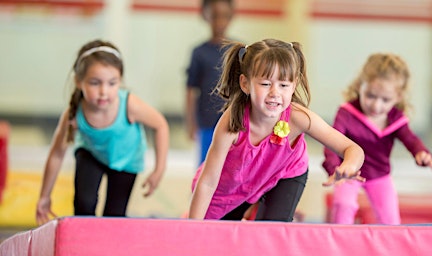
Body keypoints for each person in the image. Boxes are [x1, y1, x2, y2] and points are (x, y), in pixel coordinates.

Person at [188, 39, 365, 221]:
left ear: (294, 85)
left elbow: (353, 149)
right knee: (217, 239)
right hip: (232, 187)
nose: (275, 93)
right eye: (265, 84)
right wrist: (193, 228)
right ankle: (253, 210)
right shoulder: (232, 123)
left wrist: (348, 166)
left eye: (283, 85)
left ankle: (273, 212)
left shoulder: (299, 118)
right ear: (245, 83)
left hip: (285, 174)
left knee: (270, 233)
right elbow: (208, 182)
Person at [36, 39, 169, 225]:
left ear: (120, 81)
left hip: (126, 160)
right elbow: (57, 154)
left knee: (114, 216)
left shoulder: (130, 105)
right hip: (92, 154)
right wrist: (44, 195)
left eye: (112, 83)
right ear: (79, 82)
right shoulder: (74, 113)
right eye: (95, 83)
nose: (104, 91)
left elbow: (161, 125)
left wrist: (159, 169)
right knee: (84, 203)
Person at [322, 53, 432, 225]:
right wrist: (335, 169)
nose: (376, 105)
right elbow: (331, 142)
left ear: (398, 97)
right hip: (348, 172)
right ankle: (339, 245)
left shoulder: (395, 119)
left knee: (389, 219)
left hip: (379, 175)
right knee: (343, 205)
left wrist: (421, 153)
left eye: (385, 100)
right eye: (370, 96)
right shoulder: (346, 113)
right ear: (360, 86)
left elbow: (410, 140)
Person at [185, 0, 235, 166]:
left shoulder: (238, 51)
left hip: (232, 123)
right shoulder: (199, 53)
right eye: (215, 16)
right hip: (206, 123)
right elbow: (190, 90)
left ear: (231, 17)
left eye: (224, 16)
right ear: (205, 16)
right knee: (205, 166)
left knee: (229, 166)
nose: (220, 22)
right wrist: (191, 123)